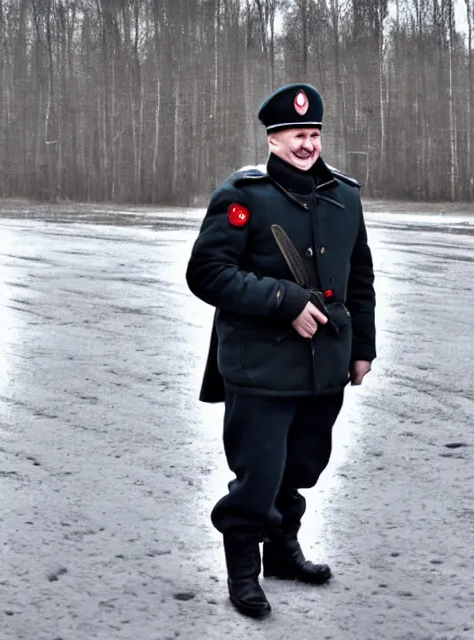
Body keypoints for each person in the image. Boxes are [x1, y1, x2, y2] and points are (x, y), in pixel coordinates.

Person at [185, 83, 377, 619]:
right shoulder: (245, 195)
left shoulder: (344, 195)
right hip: (260, 364)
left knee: (303, 465)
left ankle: (283, 549)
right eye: (296, 135)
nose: (306, 144)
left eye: (313, 134)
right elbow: (207, 273)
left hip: (325, 364)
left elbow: (358, 275)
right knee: (260, 472)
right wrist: (284, 299)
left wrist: (363, 347)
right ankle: (243, 569)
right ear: (273, 140)